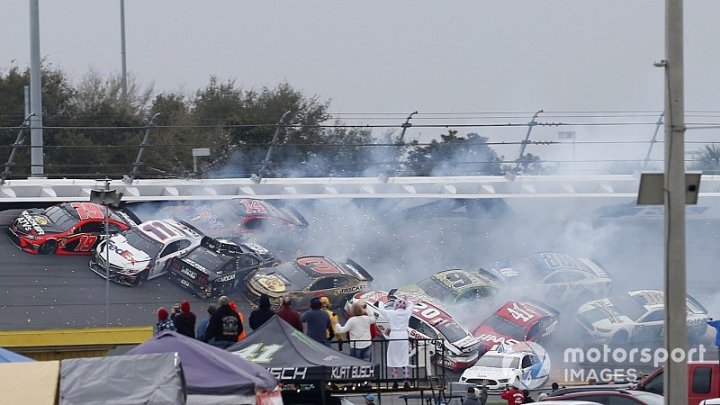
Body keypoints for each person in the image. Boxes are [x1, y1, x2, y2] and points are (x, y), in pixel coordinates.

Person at [376, 295, 414, 389]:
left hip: (394, 335)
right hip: (403, 335)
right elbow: (411, 305)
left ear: (396, 305)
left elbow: (381, 309)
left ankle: (395, 382)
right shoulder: (407, 313)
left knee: (394, 358)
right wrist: (406, 299)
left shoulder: (391, 313)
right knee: (404, 358)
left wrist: (381, 301)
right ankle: (406, 382)